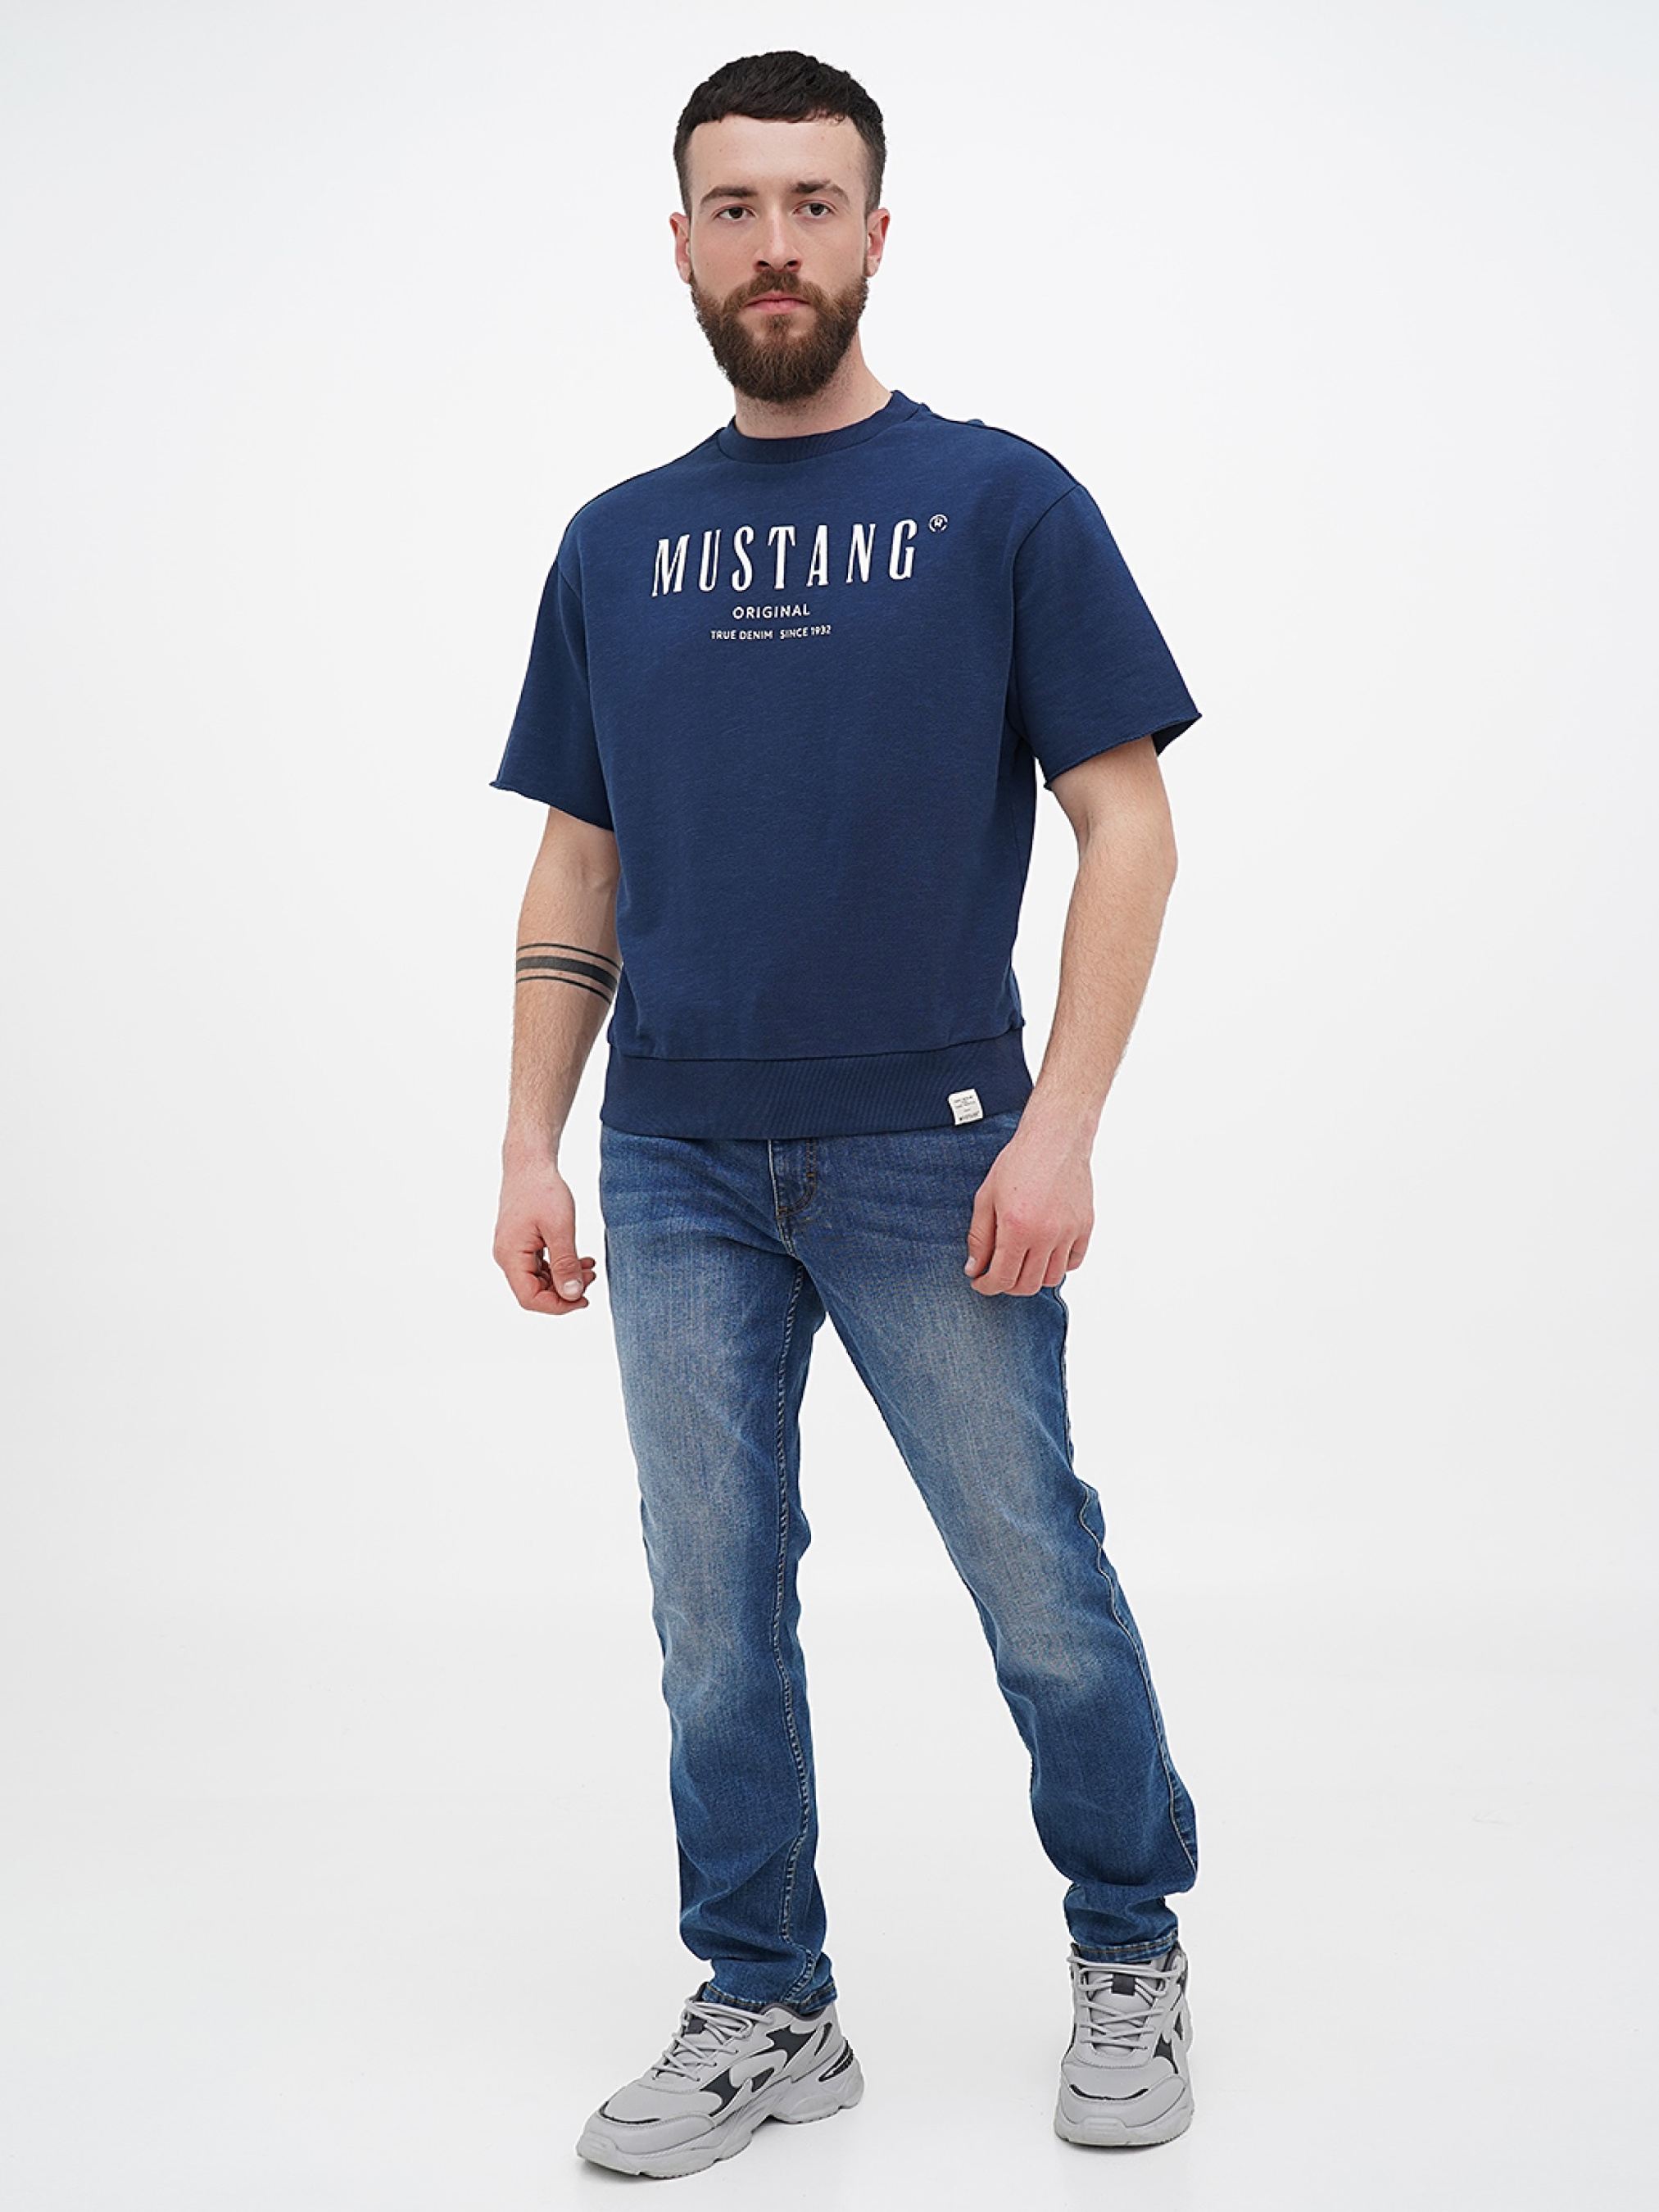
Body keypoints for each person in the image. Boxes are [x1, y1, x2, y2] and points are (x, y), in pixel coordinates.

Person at [491, 49, 1201, 2181]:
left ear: (876, 233)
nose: (775, 244)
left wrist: (1059, 1123)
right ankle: (767, 1998)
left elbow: (1128, 824)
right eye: (736, 206)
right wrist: (528, 1141)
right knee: (712, 1610)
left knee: (1033, 1576)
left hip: (933, 1147)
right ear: (682, 243)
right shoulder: (616, 542)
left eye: (813, 203)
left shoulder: (1001, 505)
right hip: (672, 1157)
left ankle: (1129, 1942)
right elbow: (578, 863)